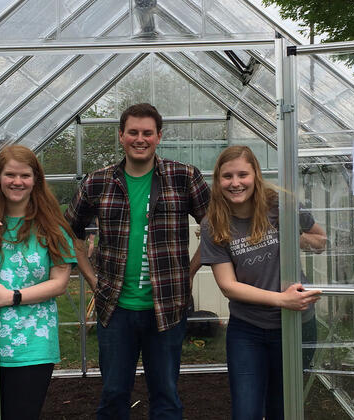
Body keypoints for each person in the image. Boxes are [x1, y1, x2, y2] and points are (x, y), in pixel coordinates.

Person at [65, 103, 211, 419]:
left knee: (166, 395)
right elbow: (69, 231)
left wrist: (190, 271)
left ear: (159, 136)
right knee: (114, 394)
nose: (140, 138)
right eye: (133, 132)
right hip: (116, 309)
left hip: (167, 308)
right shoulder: (98, 182)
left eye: (147, 132)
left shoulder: (184, 177)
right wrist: (92, 279)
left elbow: (215, 226)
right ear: (121, 136)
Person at [199, 145, 326, 420]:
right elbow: (228, 285)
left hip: (296, 327)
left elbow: (321, 241)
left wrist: (296, 237)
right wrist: (282, 300)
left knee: (283, 407)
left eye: (242, 174)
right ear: (218, 181)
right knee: (246, 411)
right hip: (248, 330)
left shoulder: (282, 205)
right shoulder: (214, 223)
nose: (235, 183)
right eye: (227, 176)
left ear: (255, 174)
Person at [0, 145, 77, 420]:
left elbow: (59, 283)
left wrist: (12, 296)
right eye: (10, 174)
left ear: (36, 180)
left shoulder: (51, 226)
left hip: (32, 346)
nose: (17, 182)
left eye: (25, 175)